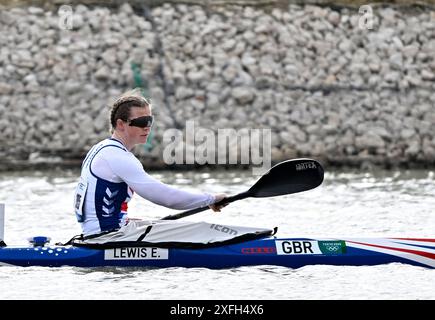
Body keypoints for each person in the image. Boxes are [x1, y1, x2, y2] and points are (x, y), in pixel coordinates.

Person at [73, 89, 227, 238]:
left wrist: (131, 222)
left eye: (150, 121)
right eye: (141, 121)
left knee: (189, 228)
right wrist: (210, 199)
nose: (147, 126)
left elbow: (94, 211)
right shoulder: (117, 157)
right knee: (198, 231)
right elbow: (166, 197)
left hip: (102, 232)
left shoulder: (101, 149)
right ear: (120, 124)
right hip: (107, 238)